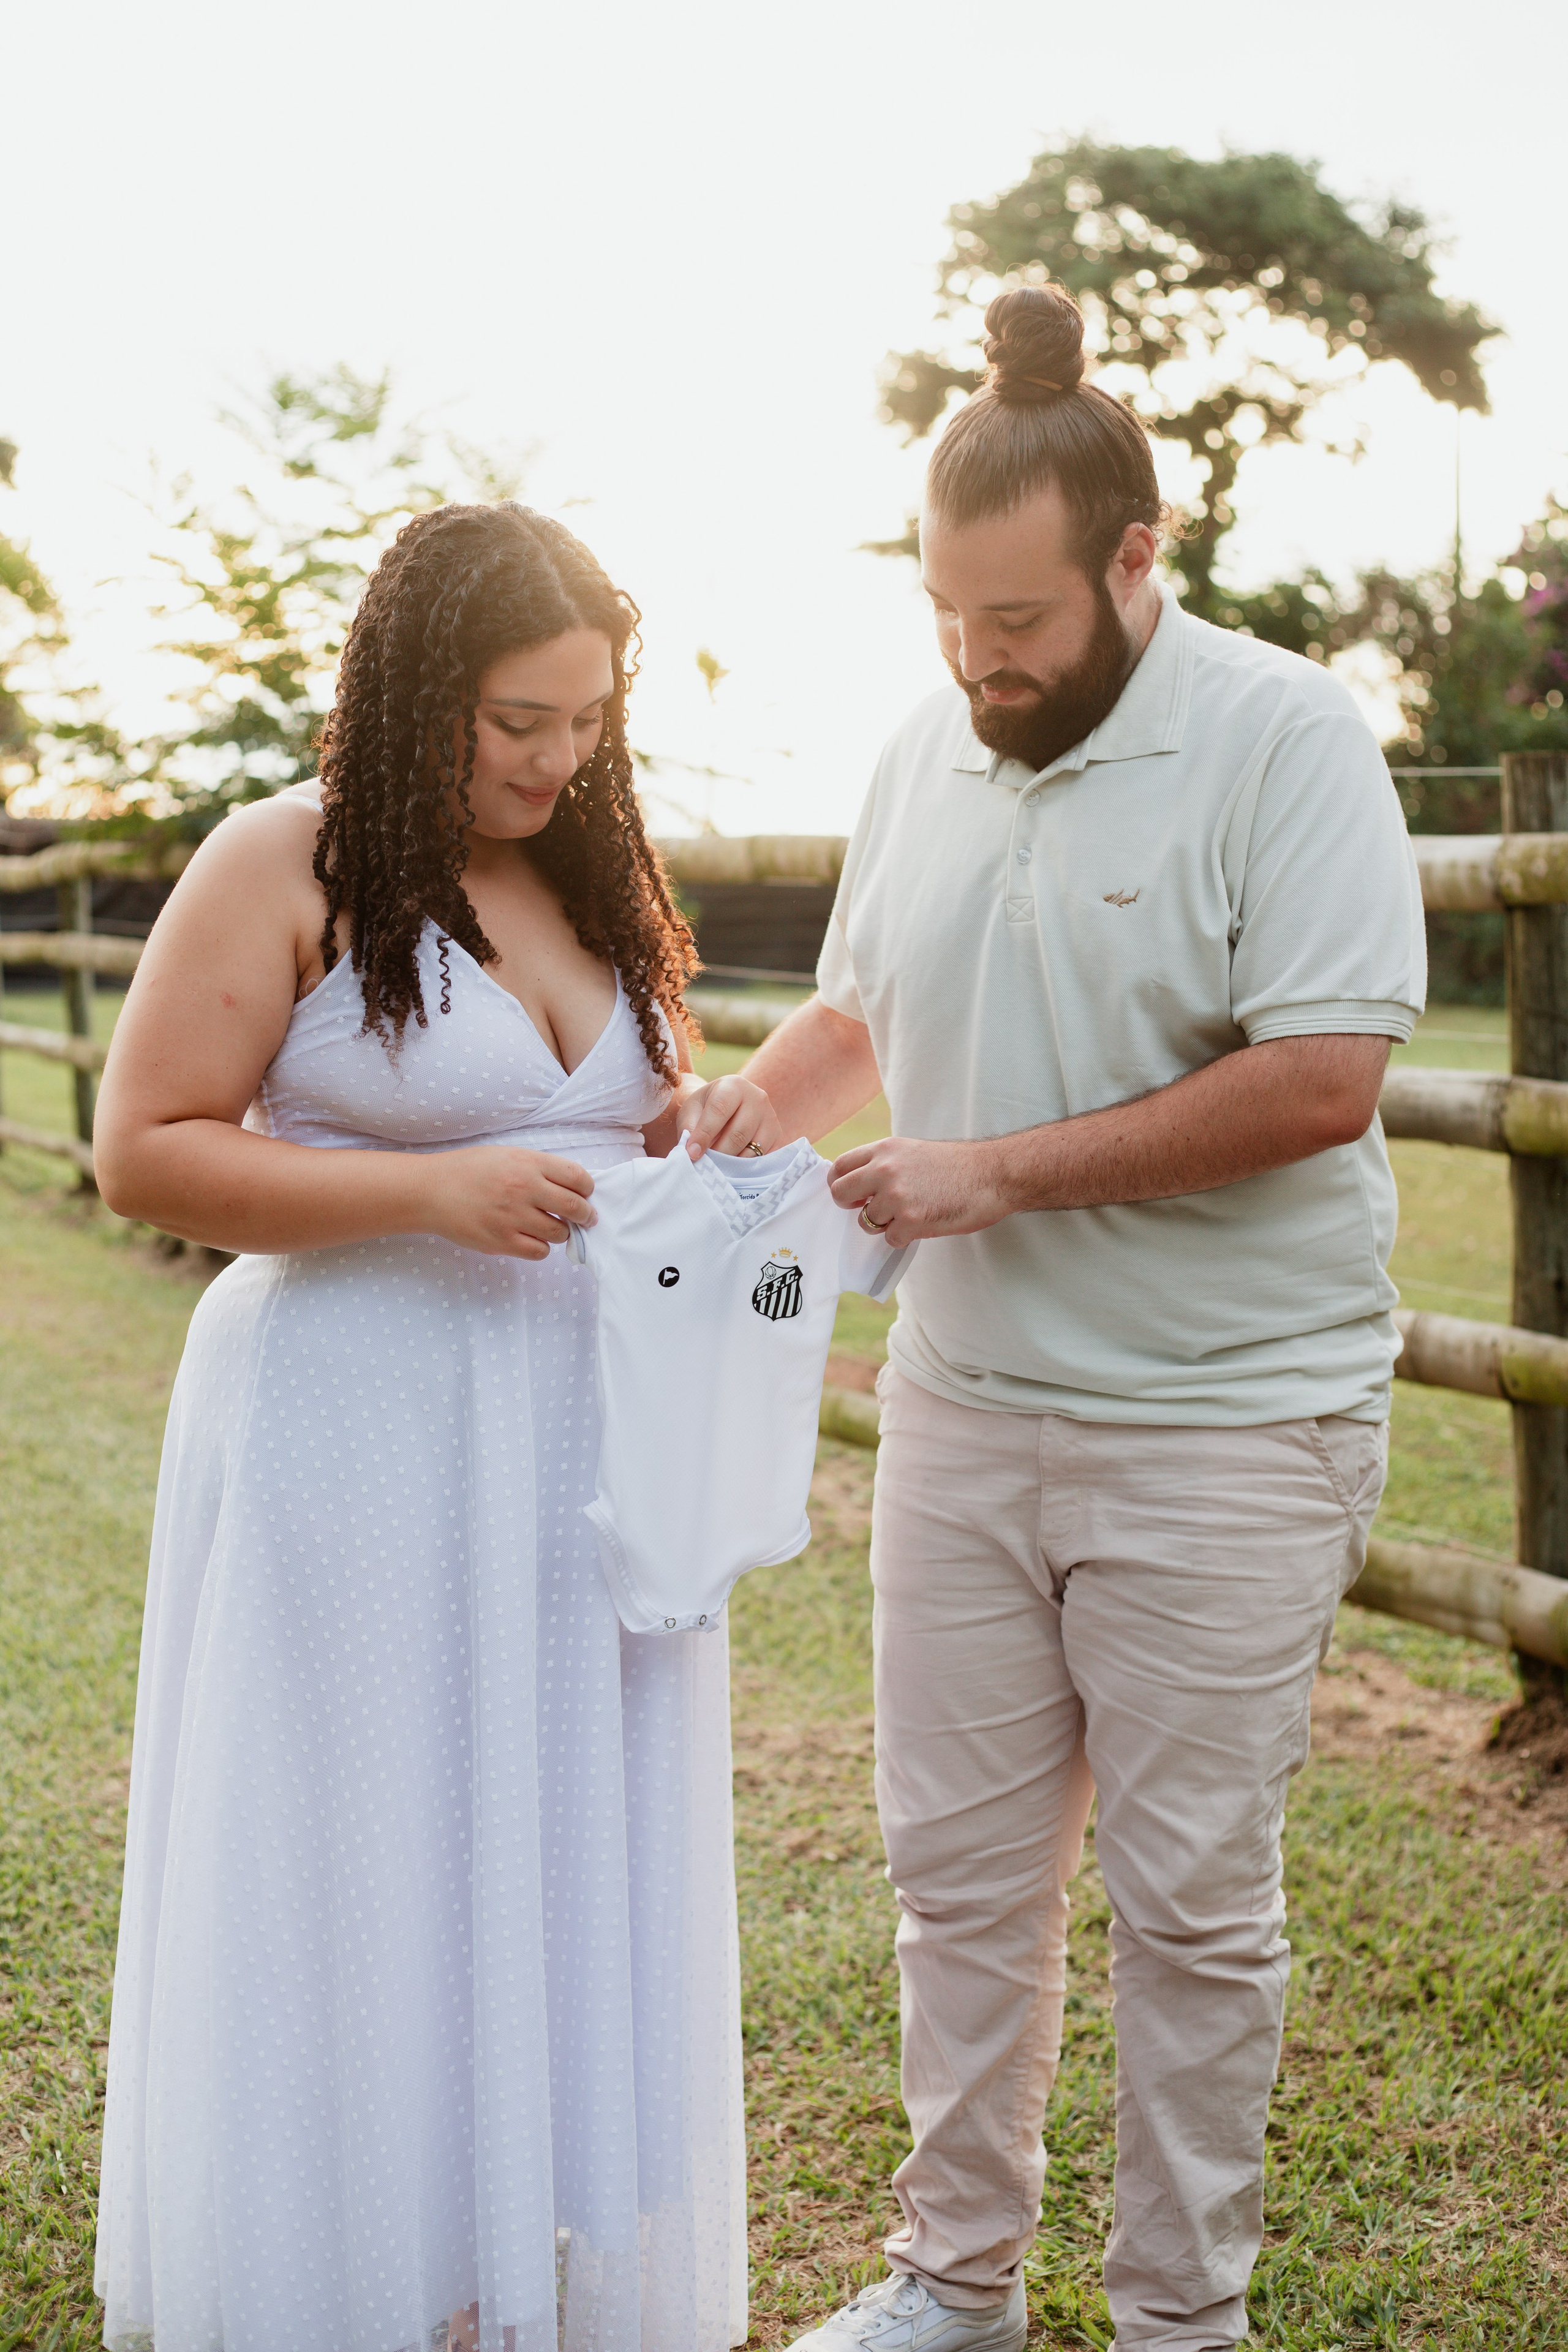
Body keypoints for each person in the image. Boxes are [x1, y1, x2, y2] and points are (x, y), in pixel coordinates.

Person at [745, 286, 1425, 2352]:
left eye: (1020, 618)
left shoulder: (1289, 736)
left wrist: (995, 1174)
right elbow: (864, 1013)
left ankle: (1175, 2326)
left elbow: (1324, 1077)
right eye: (950, 617)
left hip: (1227, 1426)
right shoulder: (922, 748)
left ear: (1143, 556)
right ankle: (951, 2289)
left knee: (1196, 1918)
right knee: (958, 1892)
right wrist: (746, 1117)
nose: (982, 661)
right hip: (965, 1413)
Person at [91, 503, 777, 2352]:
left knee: (550, 1852)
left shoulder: (596, 878)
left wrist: (701, 1156)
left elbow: (621, 1130)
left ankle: (506, 2266)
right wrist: (426, 1194)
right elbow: (145, 1149)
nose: (558, 760)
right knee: (380, 1858)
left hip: (582, 1467)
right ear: (411, 697)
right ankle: (375, 2284)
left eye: (586, 722)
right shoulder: (284, 863)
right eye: (517, 722)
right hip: (361, 1441)